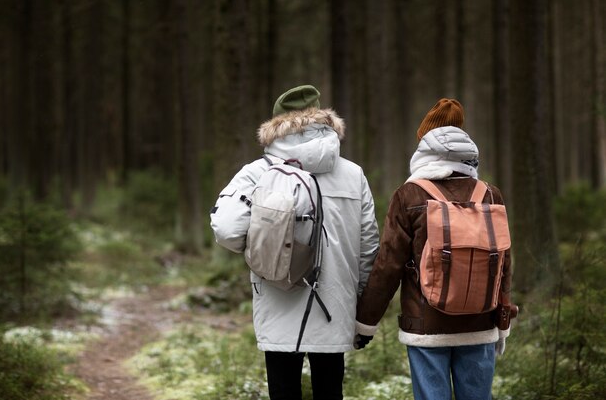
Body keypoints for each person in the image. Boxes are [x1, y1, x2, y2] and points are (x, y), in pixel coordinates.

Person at [210, 85, 379, 400]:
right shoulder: (353, 174)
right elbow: (368, 244)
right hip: (336, 303)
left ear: (277, 126)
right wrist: (362, 305)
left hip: (277, 295)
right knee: (330, 392)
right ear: (324, 121)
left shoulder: (258, 172)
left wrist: (259, 247)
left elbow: (227, 229)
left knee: (283, 390)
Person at [354, 98, 514, 400]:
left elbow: (388, 265)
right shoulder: (490, 195)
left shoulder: (409, 195)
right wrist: (502, 322)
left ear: (424, 150)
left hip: (426, 326)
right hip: (480, 322)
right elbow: (503, 264)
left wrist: (365, 323)